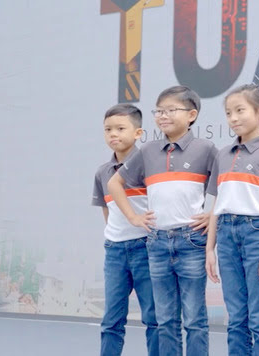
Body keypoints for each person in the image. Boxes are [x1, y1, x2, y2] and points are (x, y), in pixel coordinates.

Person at [108, 86, 217, 356]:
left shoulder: (206, 149)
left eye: (170, 110)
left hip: (191, 240)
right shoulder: (148, 151)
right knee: (165, 319)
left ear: (192, 115)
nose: (162, 116)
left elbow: (224, 185)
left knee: (194, 318)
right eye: (159, 111)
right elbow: (114, 183)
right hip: (156, 243)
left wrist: (213, 215)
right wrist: (133, 216)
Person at [204, 84, 259, 355]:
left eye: (240, 110)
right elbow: (217, 205)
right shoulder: (223, 154)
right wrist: (210, 249)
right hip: (227, 235)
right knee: (236, 319)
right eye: (229, 113)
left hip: (258, 235)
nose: (233, 118)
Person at [92, 104, 158, 355]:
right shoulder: (102, 172)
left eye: (121, 128)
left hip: (146, 248)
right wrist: (115, 234)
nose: (113, 134)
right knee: (111, 320)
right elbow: (106, 209)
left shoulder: (150, 165)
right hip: (115, 252)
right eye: (108, 129)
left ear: (138, 133)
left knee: (154, 317)